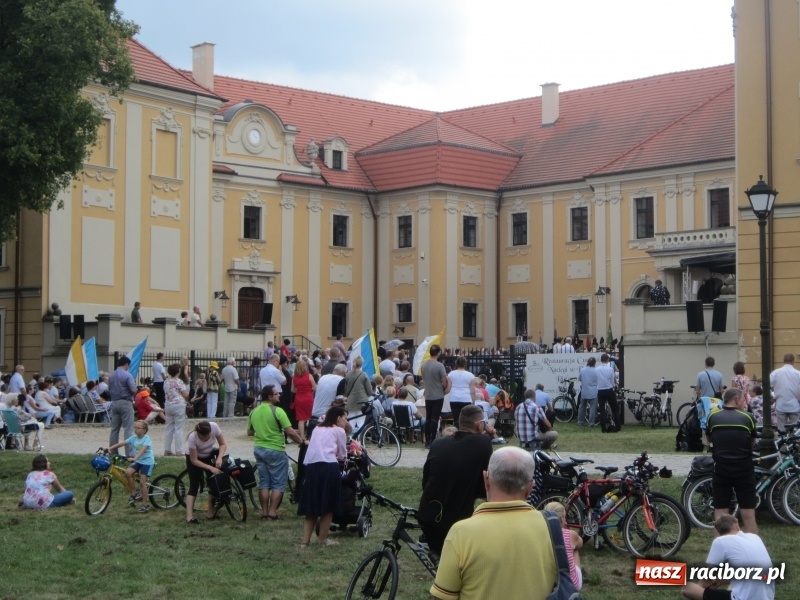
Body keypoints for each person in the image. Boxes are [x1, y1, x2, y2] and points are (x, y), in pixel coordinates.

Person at [431, 447, 557, 600]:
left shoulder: (461, 533)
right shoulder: (552, 528)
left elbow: (442, 596)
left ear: (486, 480)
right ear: (530, 487)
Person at [418, 405, 493, 557]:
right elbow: (485, 484)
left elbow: (426, 479)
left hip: (428, 515)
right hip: (457, 521)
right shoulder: (483, 443)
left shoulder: (438, 443)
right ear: (479, 425)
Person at [681, 514, 775, 600]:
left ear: (719, 532)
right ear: (737, 525)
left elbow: (706, 579)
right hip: (767, 597)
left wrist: (701, 589)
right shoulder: (755, 537)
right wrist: (721, 581)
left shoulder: (720, 541)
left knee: (687, 589)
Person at [247, 385, 305, 520]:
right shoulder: (278, 411)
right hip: (275, 449)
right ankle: (272, 513)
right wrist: (301, 442)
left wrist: (262, 430)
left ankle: (264, 513)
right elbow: (290, 431)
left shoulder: (254, 411)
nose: (279, 395)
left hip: (259, 448)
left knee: (264, 482)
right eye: (276, 393)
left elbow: (249, 432)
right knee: (278, 483)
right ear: (270, 397)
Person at [706, 388, 758, 534]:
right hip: (744, 468)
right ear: (736, 400)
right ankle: (753, 546)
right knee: (748, 513)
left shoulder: (713, 417)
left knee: (720, 512)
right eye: (742, 400)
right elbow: (752, 442)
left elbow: (709, 438)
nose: (744, 403)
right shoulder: (748, 418)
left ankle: (720, 545)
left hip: (721, 468)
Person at [298, 405, 348, 547]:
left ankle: (305, 541)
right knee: (328, 504)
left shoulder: (317, 429)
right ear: (338, 418)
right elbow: (342, 454)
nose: (346, 422)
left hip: (312, 467)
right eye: (345, 418)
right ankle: (323, 539)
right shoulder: (339, 431)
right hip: (329, 467)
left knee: (311, 504)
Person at [106, 419, 155, 513]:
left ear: (144, 430)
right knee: (128, 473)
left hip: (147, 462)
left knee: (142, 483)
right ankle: (134, 493)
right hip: (139, 461)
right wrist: (109, 448)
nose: (136, 429)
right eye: (135, 427)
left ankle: (145, 504)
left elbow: (143, 450)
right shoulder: (133, 438)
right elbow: (122, 443)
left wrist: (134, 458)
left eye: (138, 428)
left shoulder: (147, 439)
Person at [183, 420, 227, 524]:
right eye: (203, 437)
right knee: (194, 485)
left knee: (213, 482)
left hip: (208, 454)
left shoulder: (214, 427)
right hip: (194, 457)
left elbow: (223, 444)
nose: (206, 438)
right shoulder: (193, 437)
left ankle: (210, 514)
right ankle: (189, 517)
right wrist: (209, 467)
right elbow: (194, 460)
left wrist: (219, 458)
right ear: (199, 434)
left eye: (208, 436)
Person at [543, 501, 583, 591]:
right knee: (575, 548)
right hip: (571, 585)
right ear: (562, 518)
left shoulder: (540, 535)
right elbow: (580, 543)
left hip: (548, 586)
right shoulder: (570, 534)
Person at [421, 344, 450, 449]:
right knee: (435, 418)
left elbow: (424, 379)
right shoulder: (439, 365)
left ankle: (427, 440)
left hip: (428, 394)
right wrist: (444, 387)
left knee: (428, 418)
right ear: (438, 353)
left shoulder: (424, 365)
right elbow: (445, 379)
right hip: (438, 394)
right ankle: (432, 440)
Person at [108, 356, 137, 457]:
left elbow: (109, 390)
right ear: (126, 364)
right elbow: (133, 390)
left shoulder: (111, 376)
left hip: (114, 402)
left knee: (114, 429)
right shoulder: (127, 375)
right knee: (128, 428)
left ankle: (113, 453)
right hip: (125, 402)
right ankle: (130, 454)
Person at [769, 353, 800, 433]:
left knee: (781, 430)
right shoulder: (798, 374)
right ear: (793, 362)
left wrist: (772, 397)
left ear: (783, 361)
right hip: (794, 405)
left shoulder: (776, 373)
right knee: (795, 430)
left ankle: (782, 439)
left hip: (781, 404)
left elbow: (766, 385)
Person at [164, 363, 189, 456]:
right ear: (178, 371)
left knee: (169, 427)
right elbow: (185, 394)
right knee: (178, 428)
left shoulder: (166, 381)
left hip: (168, 404)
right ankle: (178, 450)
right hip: (178, 404)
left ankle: (167, 449)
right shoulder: (179, 381)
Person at [342, 355, 372, 430]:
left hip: (350, 402)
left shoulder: (348, 375)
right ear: (361, 364)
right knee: (361, 422)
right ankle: (360, 436)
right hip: (361, 402)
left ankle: (350, 436)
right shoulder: (363, 375)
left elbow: (345, 390)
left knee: (351, 422)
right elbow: (369, 391)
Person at [291, 357, 316, 441]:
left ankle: (302, 436)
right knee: (310, 416)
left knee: (301, 419)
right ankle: (310, 434)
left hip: (298, 398)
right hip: (308, 397)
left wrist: (299, 390)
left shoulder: (294, 377)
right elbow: (315, 388)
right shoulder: (309, 376)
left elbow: (292, 390)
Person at [447, 356, 477, 426]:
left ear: (456, 363)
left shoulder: (451, 374)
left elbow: (448, 388)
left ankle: (457, 430)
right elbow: (472, 391)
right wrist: (473, 402)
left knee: (456, 418)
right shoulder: (471, 375)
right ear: (465, 364)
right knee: (466, 419)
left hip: (454, 398)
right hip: (466, 398)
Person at [596, 353, 618, 433]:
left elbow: (596, 380)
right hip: (608, 389)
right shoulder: (610, 369)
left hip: (600, 390)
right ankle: (618, 426)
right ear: (607, 360)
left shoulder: (597, 369)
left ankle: (603, 428)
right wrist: (611, 386)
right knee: (614, 409)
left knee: (602, 410)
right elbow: (612, 380)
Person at [578, 356, 598, 426]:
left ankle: (580, 421)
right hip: (593, 392)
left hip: (584, 390)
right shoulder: (596, 371)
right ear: (594, 363)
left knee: (582, 406)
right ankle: (591, 423)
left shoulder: (582, 370)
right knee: (592, 408)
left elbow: (579, 379)